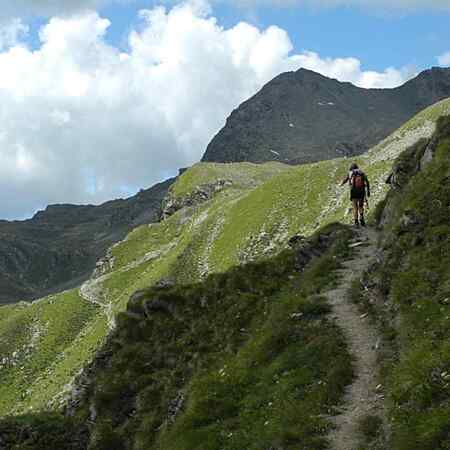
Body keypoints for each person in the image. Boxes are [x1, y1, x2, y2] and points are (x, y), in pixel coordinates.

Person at [341, 163, 370, 227]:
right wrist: (368, 191)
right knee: (361, 206)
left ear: (351, 168)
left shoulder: (350, 173)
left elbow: (345, 180)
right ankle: (362, 219)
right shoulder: (361, 172)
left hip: (353, 191)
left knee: (355, 207)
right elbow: (367, 181)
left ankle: (356, 222)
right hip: (361, 191)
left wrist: (341, 184)